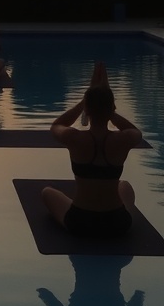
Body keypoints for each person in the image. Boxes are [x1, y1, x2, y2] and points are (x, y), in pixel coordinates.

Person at [42, 62, 143, 238]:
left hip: (80, 222)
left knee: (47, 192)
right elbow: (136, 132)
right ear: (112, 108)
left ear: (87, 110)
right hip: (117, 224)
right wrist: (108, 106)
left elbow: (57, 125)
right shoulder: (123, 140)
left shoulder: (74, 138)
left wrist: (85, 101)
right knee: (125, 186)